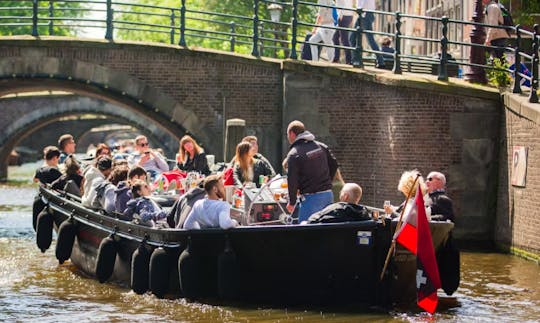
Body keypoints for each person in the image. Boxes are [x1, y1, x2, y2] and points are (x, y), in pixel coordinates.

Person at [285, 120, 338, 223]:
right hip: (328, 195)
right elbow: (334, 164)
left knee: (307, 232)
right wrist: (327, 181)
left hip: (311, 199)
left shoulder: (294, 154)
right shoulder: (321, 146)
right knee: (326, 229)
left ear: (291, 134)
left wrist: (292, 202)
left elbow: (292, 179)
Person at [350, 0, 385, 68]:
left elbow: (362, 3)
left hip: (364, 14)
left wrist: (359, 8)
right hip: (365, 13)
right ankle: (380, 61)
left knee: (356, 38)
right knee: (366, 39)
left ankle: (357, 60)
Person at [332, 0, 354, 64]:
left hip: (343, 16)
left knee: (344, 39)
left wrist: (340, 14)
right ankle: (336, 58)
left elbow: (343, 4)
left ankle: (349, 60)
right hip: (347, 15)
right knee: (335, 37)